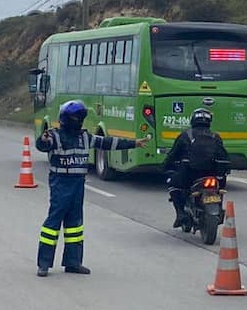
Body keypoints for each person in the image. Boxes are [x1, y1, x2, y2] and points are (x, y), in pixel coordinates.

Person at [35, 100, 148, 277]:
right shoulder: (54, 136)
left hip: (77, 185)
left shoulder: (85, 137)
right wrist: (42, 139)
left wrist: (135, 143)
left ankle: (73, 262)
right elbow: (42, 145)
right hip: (61, 184)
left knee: (75, 226)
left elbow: (109, 142)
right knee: (53, 224)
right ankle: (44, 264)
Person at [163, 108, 229, 228]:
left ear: (193, 120)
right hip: (213, 175)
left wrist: (165, 166)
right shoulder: (216, 137)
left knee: (173, 184)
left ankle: (180, 214)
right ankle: (219, 208)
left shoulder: (185, 135)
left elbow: (173, 154)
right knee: (220, 187)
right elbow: (224, 156)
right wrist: (224, 172)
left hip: (190, 174)